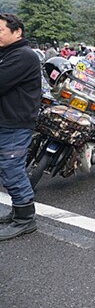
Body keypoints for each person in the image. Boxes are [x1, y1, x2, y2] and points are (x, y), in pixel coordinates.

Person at [0, 13, 41, 241]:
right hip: (7, 120)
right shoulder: (8, 53)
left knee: (12, 168)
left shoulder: (23, 55)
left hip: (15, 122)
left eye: (0, 31)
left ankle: (26, 220)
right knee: (8, 167)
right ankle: (18, 210)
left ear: (17, 32)